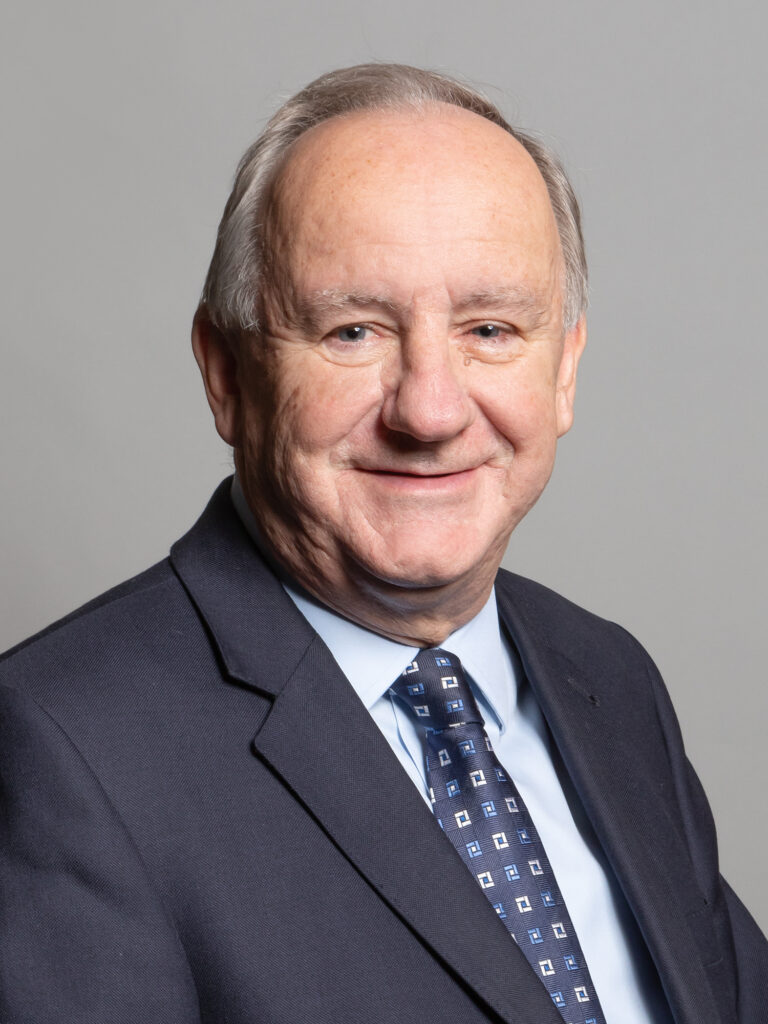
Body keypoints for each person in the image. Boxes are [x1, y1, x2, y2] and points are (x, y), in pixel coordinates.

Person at [1, 63, 765, 1024]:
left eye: (491, 329)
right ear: (227, 375)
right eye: (354, 331)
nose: (431, 411)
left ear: (564, 371)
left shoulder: (608, 678)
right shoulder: (63, 748)